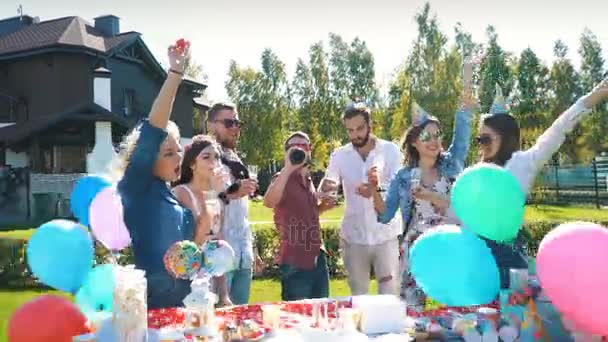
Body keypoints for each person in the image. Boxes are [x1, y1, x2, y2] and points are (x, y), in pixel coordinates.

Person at [476, 78, 608, 288]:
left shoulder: (523, 163)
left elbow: (558, 129)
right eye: (479, 140)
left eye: (486, 139)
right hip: (478, 256)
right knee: (480, 316)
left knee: (514, 314)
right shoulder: (477, 172)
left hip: (509, 254)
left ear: (505, 137)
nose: (481, 146)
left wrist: (590, 99)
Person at [369, 62, 476, 305]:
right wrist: (373, 189)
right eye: (426, 136)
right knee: (411, 312)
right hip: (417, 248)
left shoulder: (452, 163)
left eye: (437, 134)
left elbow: (464, 120)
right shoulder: (404, 177)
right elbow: (385, 215)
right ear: (415, 142)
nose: (434, 141)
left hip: (453, 244)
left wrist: (467, 80)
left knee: (462, 308)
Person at [113, 40, 202, 309]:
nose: (179, 158)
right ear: (145, 158)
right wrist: (175, 75)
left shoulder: (172, 196)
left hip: (186, 304)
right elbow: (153, 128)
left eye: (178, 150)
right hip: (154, 308)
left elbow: (190, 253)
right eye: (168, 153)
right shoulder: (137, 186)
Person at [319, 102, 402, 296]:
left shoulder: (390, 151)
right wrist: (327, 187)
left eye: (360, 128)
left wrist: (376, 190)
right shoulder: (339, 155)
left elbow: (399, 189)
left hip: (386, 234)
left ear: (370, 125)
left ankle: (388, 327)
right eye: (350, 130)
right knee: (358, 296)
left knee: (389, 294)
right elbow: (330, 180)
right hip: (354, 236)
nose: (355, 134)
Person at [263, 132, 335, 300]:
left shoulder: (308, 180)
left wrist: (322, 207)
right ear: (286, 152)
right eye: (294, 147)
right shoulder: (282, 178)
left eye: (305, 146)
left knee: (321, 313)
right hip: (295, 259)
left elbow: (307, 214)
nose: (300, 150)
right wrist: (288, 168)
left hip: (318, 256)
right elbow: (269, 201)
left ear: (310, 150)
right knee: (297, 318)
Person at [172, 135, 233, 306]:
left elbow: (218, 244)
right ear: (192, 164)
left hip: (210, 280)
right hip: (187, 279)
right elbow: (197, 237)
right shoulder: (182, 193)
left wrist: (224, 294)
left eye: (216, 157)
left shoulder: (217, 198)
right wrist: (214, 194)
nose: (213, 162)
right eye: (206, 157)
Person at [207, 102, 258, 305]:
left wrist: (252, 250)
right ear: (211, 125)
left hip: (243, 257)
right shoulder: (204, 159)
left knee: (241, 324)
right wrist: (230, 193)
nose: (235, 128)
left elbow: (242, 214)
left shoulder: (236, 160)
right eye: (229, 123)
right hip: (220, 260)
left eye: (237, 123)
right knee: (218, 324)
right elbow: (199, 202)